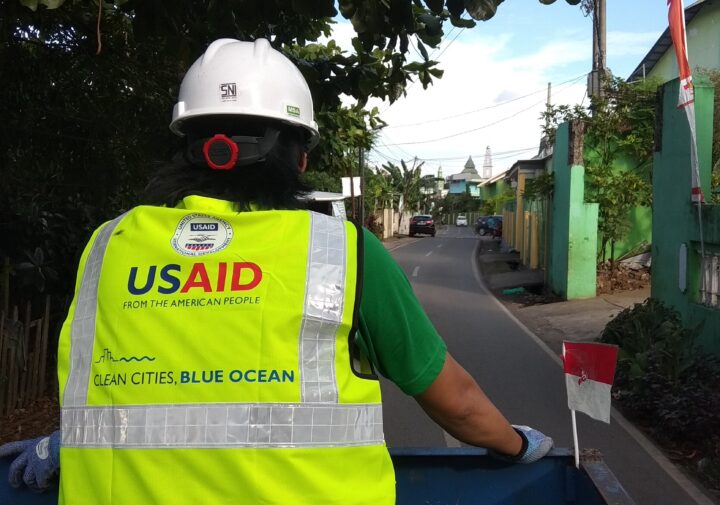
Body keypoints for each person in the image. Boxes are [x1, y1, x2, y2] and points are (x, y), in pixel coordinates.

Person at [0, 38, 552, 504]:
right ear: (301, 157)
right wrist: (516, 445)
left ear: (188, 147)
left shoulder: (107, 246)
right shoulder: (344, 252)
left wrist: (69, 438)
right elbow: (453, 400)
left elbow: (147, 377)